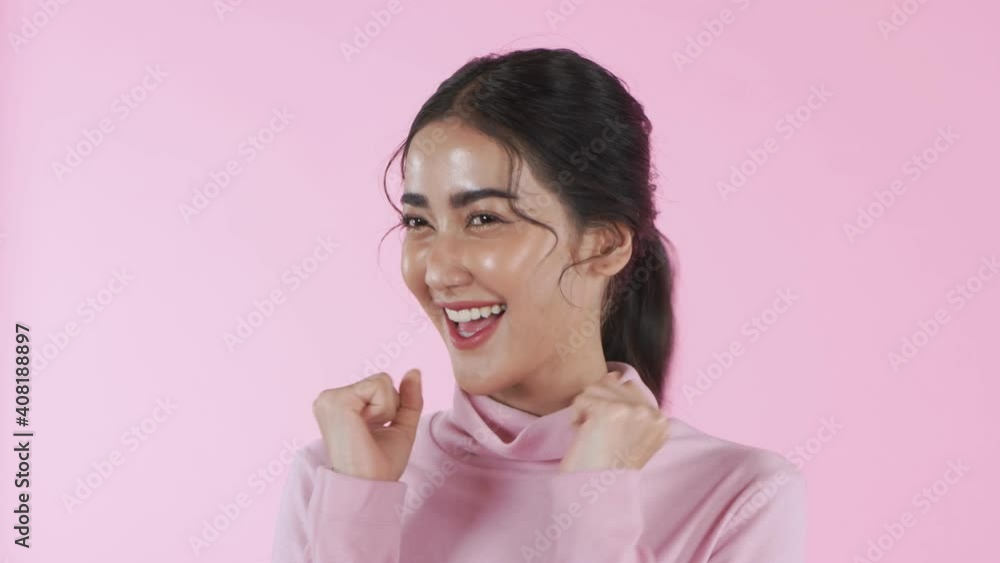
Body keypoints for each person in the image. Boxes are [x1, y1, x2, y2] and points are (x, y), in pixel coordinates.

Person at [271, 47, 806, 563]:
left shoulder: (738, 496)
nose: (437, 271)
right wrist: (358, 517)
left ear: (604, 245)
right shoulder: (340, 475)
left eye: (484, 219)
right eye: (418, 222)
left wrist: (598, 501)